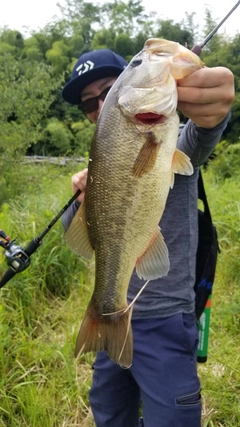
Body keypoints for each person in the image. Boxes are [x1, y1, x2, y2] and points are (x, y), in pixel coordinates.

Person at [61, 47, 234, 427]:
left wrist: (213, 110)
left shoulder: (172, 136)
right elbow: (80, 237)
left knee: (172, 418)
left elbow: (204, 130)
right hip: (115, 313)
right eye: (89, 102)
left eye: (108, 89)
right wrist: (80, 203)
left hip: (166, 319)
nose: (100, 103)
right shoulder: (100, 160)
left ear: (127, 84)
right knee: (109, 411)